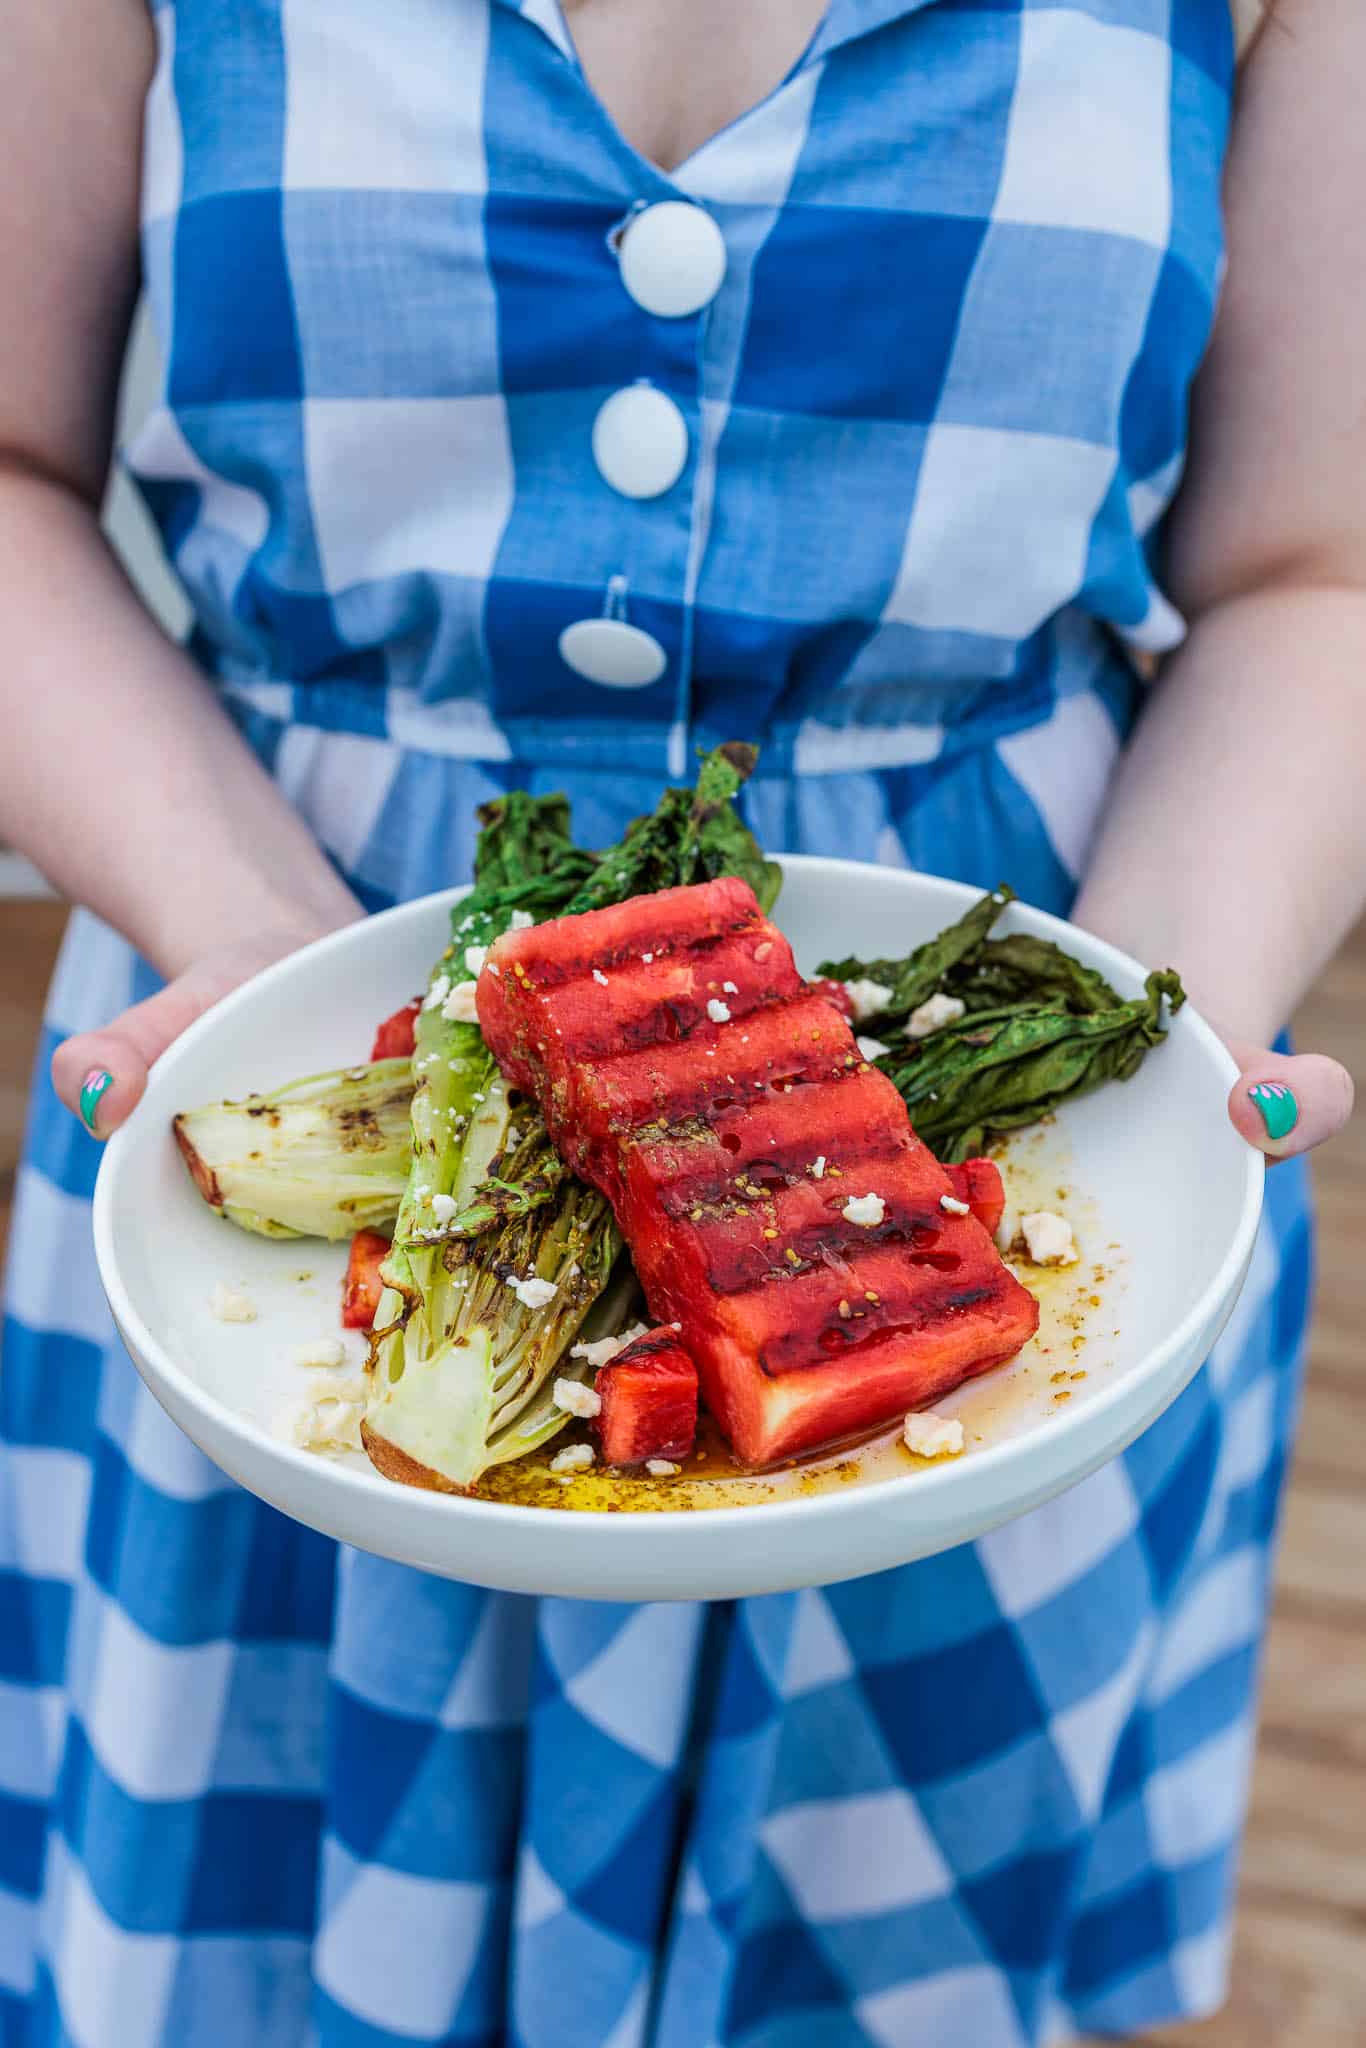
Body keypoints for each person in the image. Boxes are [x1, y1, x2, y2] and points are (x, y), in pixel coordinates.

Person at [0, 0, 1357, 2041]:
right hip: (271, 998)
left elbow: (1312, 569)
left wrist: (1143, 1035)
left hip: (993, 1084)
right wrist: (293, 965)